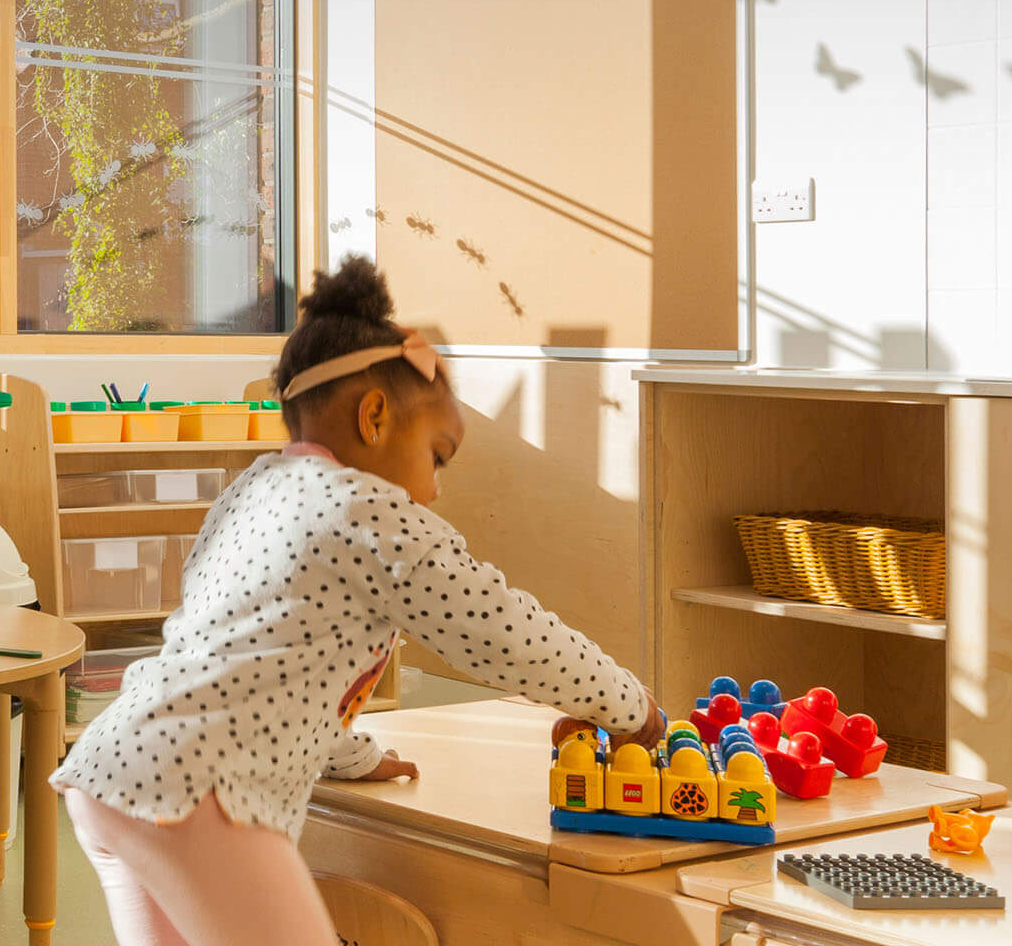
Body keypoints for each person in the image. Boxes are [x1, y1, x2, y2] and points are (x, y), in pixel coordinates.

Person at [53, 255, 665, 946]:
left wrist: (347, 754)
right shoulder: (370, 513)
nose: (434, 490)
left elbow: (265, 655)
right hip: (202, 794)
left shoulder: (255, 487)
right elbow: (505, 632)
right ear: (374, 416)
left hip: (111, 776)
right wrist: (627, 704)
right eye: (437, 455)